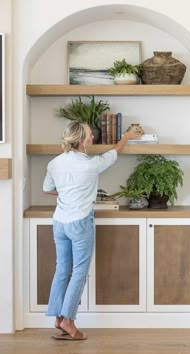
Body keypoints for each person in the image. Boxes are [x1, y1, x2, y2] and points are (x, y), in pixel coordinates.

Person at [43, 121, 140, 341]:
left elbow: (47, 189)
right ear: (80, 141)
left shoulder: (54, 163)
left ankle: (58, 318)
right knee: (78, 272)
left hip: (59, 222)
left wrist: (68, 193)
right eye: (89, 135)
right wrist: (125, 137)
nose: (92, 138)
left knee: (61, 270)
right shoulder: (91, 164)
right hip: (79, 223)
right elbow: (114, 153)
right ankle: (68, 320)